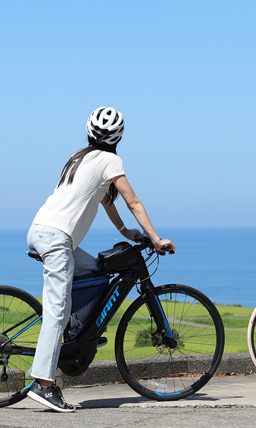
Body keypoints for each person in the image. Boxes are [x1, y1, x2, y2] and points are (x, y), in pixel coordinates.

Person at [24, 106, 174, 412]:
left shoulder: (80, 157)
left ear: (89, 131)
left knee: (99, 271)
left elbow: (104, 199)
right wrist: (156, 239)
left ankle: (81, 330)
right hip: (56, 239)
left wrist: (125, 231)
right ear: (119, 136)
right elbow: (132, 200)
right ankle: (44, 384)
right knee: (57, 310)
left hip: (42, 231)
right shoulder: (110, 160)